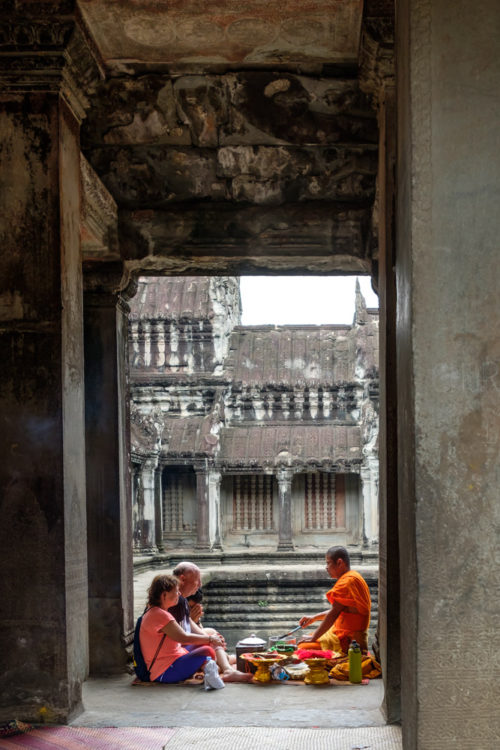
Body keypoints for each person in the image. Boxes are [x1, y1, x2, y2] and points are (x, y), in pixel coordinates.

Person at [169, 561, 251, 682]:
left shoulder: (182, 600)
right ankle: (229, 666)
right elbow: (182, 636)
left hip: (180, 642)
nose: (200, 585)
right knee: (211, 650)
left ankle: (228, 664)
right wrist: (210, 640)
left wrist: (213, 640)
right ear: (182, 579)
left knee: (211, 635)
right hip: (173, 648)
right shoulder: (173, 600)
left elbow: (193, 628)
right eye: (197, 581)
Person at [139, 574, 224, 684]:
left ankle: (208, 667)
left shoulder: (155, 611)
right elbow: (183, 637)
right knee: (207, 650)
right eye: (176, 591)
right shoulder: (160, 615)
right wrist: (210, 639)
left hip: (170, 660)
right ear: (164, 595)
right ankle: (209, 669)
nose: (179, 594)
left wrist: (208, 639)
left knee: (203, 645)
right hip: (164, 671)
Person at [298, 546, 371, 654]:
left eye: (328, 563)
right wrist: (314, 618)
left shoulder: (347, 582)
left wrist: (314, 638)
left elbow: (334, 613)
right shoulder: (353, 576)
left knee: (302, 647)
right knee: (304, 639)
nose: (326, 567)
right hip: (340, 633)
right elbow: (341, 609)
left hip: (348, 641)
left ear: (339, 562)